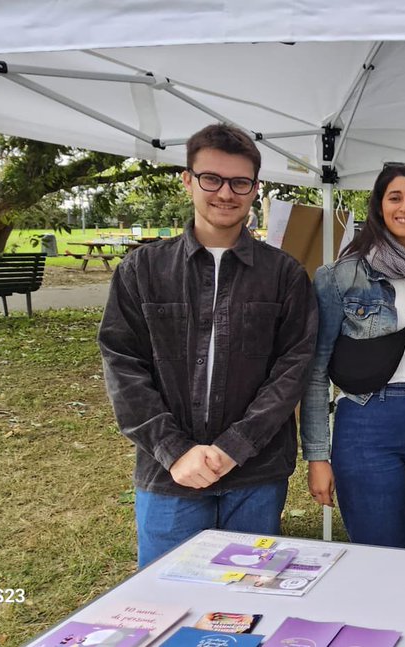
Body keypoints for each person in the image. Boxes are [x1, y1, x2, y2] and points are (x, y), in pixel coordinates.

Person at [98, 123, 318, 568]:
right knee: (167, 600)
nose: (225, 193)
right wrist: (175, 450)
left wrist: (235, 445)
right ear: (187, 180)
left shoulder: (284, 274)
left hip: (255, 472)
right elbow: (122, 365)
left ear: (255, 189)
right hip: (168, 472)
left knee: (250, 602)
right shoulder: (143, 269)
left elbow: (293, 368)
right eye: (211, 179)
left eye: (239, 182)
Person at [300, 163, 405, 551]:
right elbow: (316, 370)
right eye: (395, 197)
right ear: (380, 206)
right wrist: (318, 457)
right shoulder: (340, 276)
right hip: (369, 421)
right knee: (378, 553)